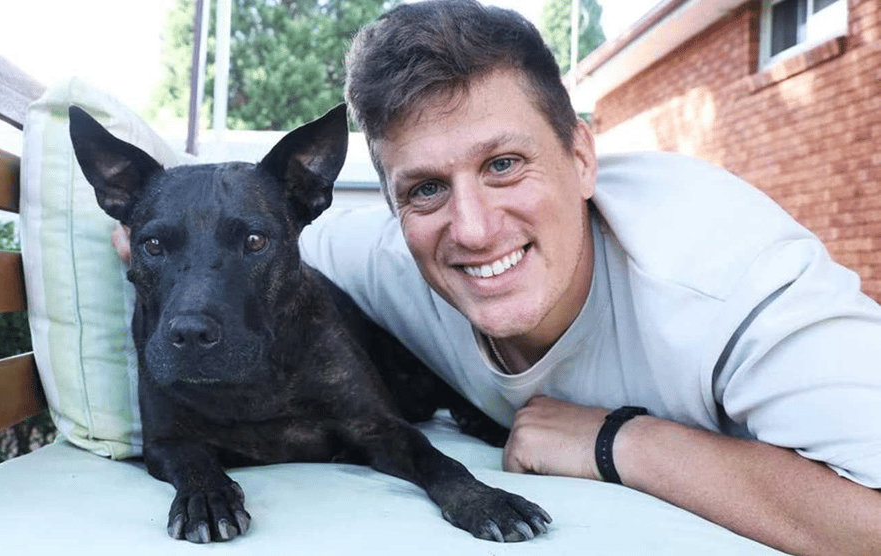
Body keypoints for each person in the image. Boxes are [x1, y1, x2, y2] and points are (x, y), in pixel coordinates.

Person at [294, 1, 881, 554]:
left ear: (581, 158)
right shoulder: (389, 258)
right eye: (426, 189)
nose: (472, 230)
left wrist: (619, 442)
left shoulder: (728, 274)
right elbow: (252, 233)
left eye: (503, 164)